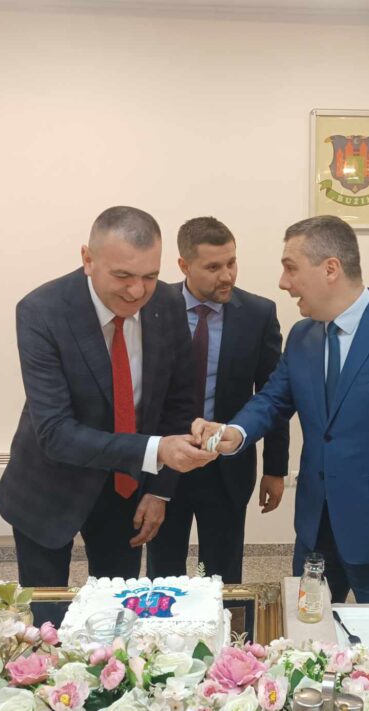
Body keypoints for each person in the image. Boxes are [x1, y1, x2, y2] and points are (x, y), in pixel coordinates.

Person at [194, 215, 369, 603]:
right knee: (307, 631)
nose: (283, 282)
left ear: (330, 268)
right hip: (314, 531)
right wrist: (235, 432)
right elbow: (273, 399)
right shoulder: (303, 336)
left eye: (291, 268)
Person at [0, 206, 217, 623]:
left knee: (117, 613)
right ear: (87, 259)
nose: (137, 291)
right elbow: (55, 432)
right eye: (123, 276)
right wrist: (156, 451)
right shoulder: (42, 311)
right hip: (48, 486)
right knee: (46, 618)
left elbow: (179, 403)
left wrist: (159, 490)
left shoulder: (167, 303)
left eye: (150, 276)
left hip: (125, 488)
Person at [146, 217, 290, 584]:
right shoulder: (152, 308)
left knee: (223, 578)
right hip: (166, 463)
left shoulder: (258, 314)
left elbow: (273, 394)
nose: (227, 276)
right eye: (213, 267)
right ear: (184, 265)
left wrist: (275, 469)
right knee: (163, 574)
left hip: (226, 467)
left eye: (231, 263)